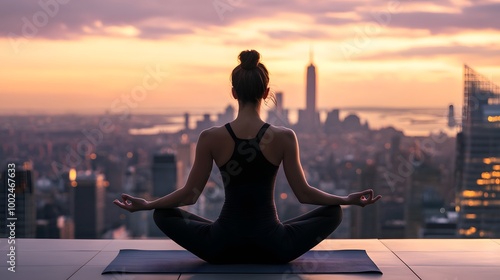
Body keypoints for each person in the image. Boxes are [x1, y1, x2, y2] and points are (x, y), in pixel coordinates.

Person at [114, 49, 381, 264]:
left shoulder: (210, 137)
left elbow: (189, 195)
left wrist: (147, 205)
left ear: (233, 94)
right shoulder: (285, 137)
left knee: (163, 214)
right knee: (333, 213)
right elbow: (305, 194)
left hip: (220, 246)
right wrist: (346, 201)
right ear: (266, 93)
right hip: (274, 247)